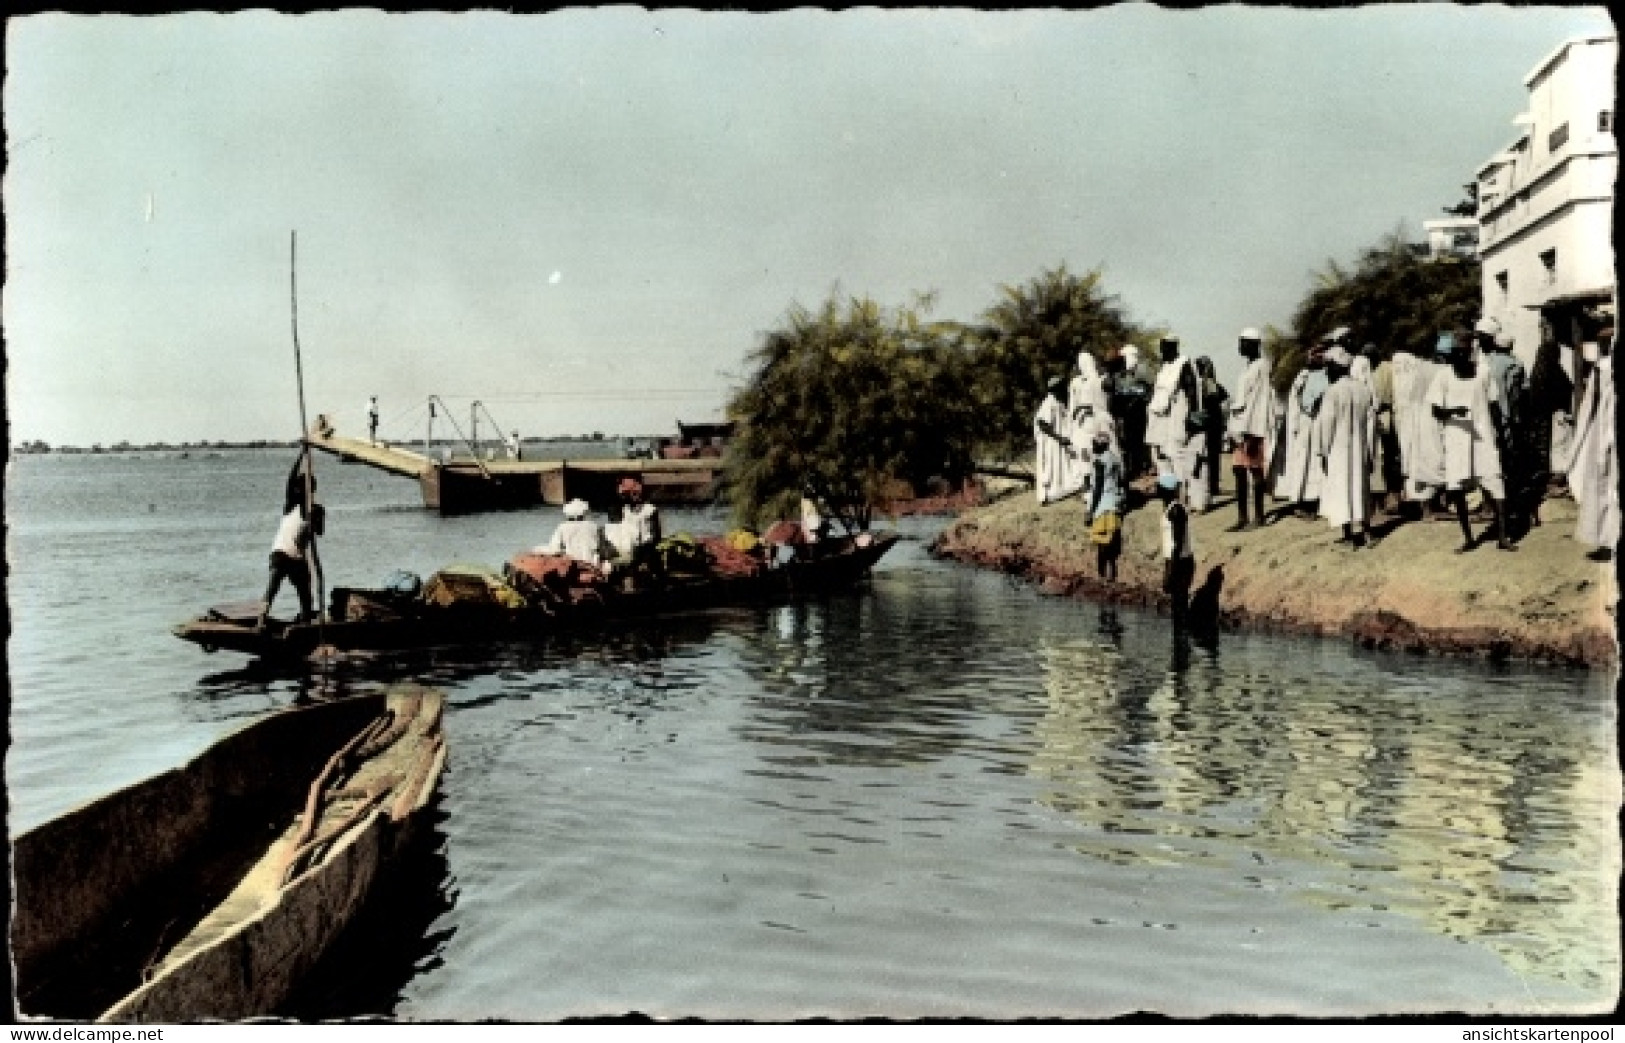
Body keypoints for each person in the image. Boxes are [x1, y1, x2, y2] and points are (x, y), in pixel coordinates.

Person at [1428, 331, 1512, 552]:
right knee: (1457, 489)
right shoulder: (1443, 376)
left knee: (1495, 483)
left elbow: (1494, 405)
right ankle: (1468, 538)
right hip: (1456, 438)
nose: (1461, 356)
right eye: (1457, 352)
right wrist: (1453, 411)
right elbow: (1435, 411)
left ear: (1471, 351)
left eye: (1465, 351)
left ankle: (1503, 536)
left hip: (1483, 438)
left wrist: (1501, 434)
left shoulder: (1483, 372)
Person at [1316, 344, 1377, 547]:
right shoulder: (1363, 390)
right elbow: (1371, 425)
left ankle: (1349, 535)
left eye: (1329, 366)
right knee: (1360, 489)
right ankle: (1367, 533)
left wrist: (1323, 451)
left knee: (1342, 489)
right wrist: (1370, 452)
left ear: (1336, 367)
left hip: (1338, 450)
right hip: (1360, 449)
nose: (1327, 371)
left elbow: (1327, 425)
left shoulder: (1332, 392)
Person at [1566, 324, 1616, 560]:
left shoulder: (1602, 367)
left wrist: (1583, 429)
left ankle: (1607, 540)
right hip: (1607, 427)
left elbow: (1591, 402)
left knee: (1602, 483)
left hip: (1604, 428)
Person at [258, 460, 325, 629]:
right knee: (272, 588)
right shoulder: (290, 506)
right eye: (299, 489)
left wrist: (315, 519)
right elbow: (290, 480)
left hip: (298, 557)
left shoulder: (316, 510)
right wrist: (301, 456)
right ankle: (261, 618)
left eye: (305, 489)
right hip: (281, 553)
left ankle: (306, 621)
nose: (299, 491)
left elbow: (320, 532)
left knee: (305, 593)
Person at [1523, 320, 1572, 528]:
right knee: (1557, 448)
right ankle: (1555, 481)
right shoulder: (1554, 372)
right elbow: (1565, 390)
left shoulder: (1538, 372)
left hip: (1541, 417)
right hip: (1554, 415)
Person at [1226, 328, 1274, 531]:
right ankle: (1242, 517)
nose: (1240, 346)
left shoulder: (1261, 367)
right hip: (1239, 427)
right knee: (1238, 471)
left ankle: (1259, 516)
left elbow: (1260, 403)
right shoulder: (1248, 368)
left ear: (1254, 344)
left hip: (1252, 428)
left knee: (1255, 471)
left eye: (1243, 342)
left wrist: (1254, 433)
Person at [1274, 341, 1330, 519]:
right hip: (1305, 425)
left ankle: (1318, 502)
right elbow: (1298, 402)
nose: (1318, 357)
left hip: (1321, 424)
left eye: (1321, 354)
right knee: (1304, 464)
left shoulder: (1328, 374)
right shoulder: (1303, 376)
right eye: (1315, 354)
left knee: (1319, 464)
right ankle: (1302, 503)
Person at [1482, 328, 1528, 537]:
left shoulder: (1485, 362)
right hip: (1505, 416)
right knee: (1508, 462)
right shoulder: (1514, 364)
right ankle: (1508, 504)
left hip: (1486, 417)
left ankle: (1490, 504)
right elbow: (1516, 394)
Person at [1145, 335, 1200, 489]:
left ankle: (1181, 494)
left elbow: (1191, 392)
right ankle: (1168, 492)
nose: (1162, 351)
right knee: (1160, 457)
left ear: (1173, 347)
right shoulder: (1164, 367)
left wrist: (1191, 416)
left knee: (1176, 456)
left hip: (1176, 418)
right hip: (1159, 420)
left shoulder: (1184, 364)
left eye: (1165, 347)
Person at [1034, 376, 1083, 505]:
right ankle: (1050, 494)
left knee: (1063, 465)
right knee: (1052, 468)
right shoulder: (1048, 404)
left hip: (1058, 438)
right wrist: (1059, 438)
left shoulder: (1058, 401)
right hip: (1050, 441)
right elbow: (1042, 424)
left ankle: (1064, 490)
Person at [1156, 472, 1196, 629]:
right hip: (1176, 559)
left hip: (1180, 561)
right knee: (1178, 604)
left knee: (1179, 604)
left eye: (1159, 487)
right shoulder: (1171, 509)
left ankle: (1181, 639)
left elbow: (1178, 543)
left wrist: (1170, 571)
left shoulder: (1176, 510)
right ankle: (1180, 639)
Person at [1109, 344, 1153, 479]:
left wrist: (1134, 394)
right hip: (1125, 412)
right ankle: (1131, 467)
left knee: (1139, 440)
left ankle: (1140, 467)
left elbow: (1149, 389)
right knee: (1127, 440)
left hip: (1139, 410)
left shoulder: (1142, 369)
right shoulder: (1121, 373)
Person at [1087, 429, 1124, 583]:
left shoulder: (1100, 461)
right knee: (1111, 540)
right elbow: (1121, 482)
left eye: (1095, 444)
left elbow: (1098, 488)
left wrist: (1091, 511)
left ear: (1102, 445)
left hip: (1103, 504)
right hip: (1114, 502)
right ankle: (1112, 572)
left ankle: (1102, 575)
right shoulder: (1115, 459)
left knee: (1102, 542)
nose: (1093, 446)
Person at [536, 498, 616, 570]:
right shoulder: (593, 526)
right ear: (584, 513)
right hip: (591, 563)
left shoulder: (562, 527)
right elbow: (603, 547)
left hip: (573, 565)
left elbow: (554, 549)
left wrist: (538, 550)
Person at [1193, 356, 1230, 506]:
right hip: (1213, 424)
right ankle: (1211, 485)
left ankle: (1209, 486)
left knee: (1207, 456)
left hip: (1209, 425)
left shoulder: (1205, 385)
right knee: (1212, 456)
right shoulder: (1212, 385)